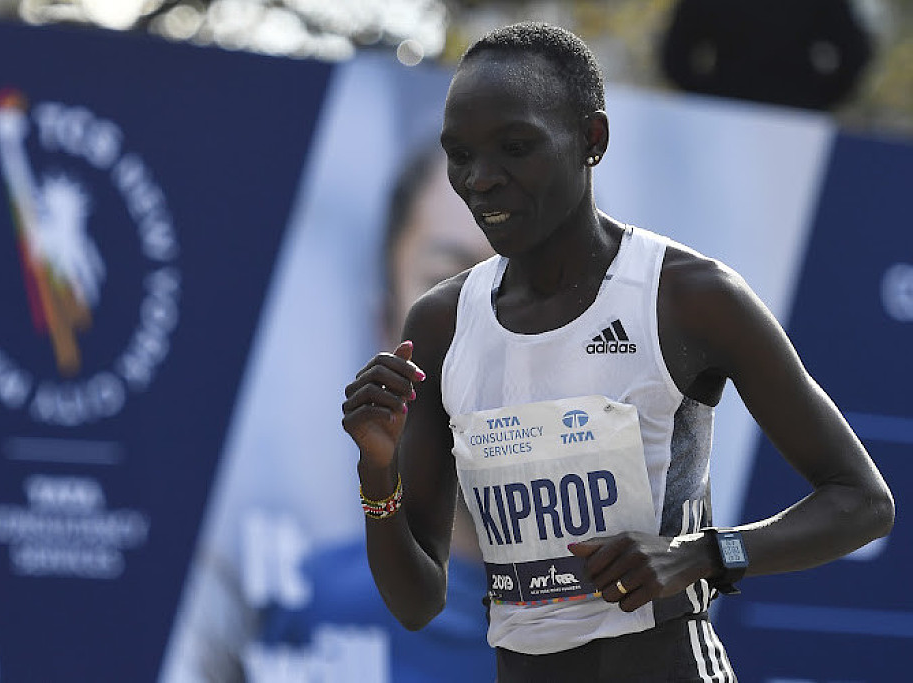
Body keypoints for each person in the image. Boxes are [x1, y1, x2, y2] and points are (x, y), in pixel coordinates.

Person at [341, 21, 894, 682]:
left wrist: (699, 555)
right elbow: (417, 602)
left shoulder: (687, 296)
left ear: (592, 140)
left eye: (515, 147)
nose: (481, 179)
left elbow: (862, 501)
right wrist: (378, 472)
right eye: (461, 153)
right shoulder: (441, 322)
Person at [256, 146, 496, 682]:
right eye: (450, 282)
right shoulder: (314, 613)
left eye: (531, 282)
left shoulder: (642, 622)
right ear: (388, 328)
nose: (493, 323)